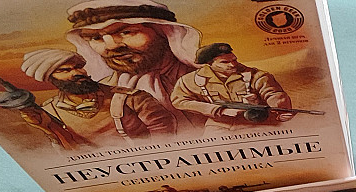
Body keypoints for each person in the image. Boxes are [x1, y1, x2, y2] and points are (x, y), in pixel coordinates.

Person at [64, 0, 201, 127]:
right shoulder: (103, 94)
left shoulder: (203, 79)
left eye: (126, 32)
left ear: (163, 32)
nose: (111, 46)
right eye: (96, 38)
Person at [18, 49, 175, 145]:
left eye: (78, 67)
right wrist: (45, 127)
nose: (77, 73)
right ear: (51, 78)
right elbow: (65, 149)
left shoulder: (130, 97)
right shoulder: (49, 111)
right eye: (64, 70)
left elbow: (163, 129)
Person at [170, 43, 294, 128]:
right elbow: (179, 101)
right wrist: (218, 110)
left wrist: (281, 109)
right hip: (218, 126)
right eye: (225, 62)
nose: (232, 65)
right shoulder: (191, 80)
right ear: (209, 63)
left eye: (234, 60)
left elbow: (274, 94)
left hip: (258, 124)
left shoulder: (256, 76)